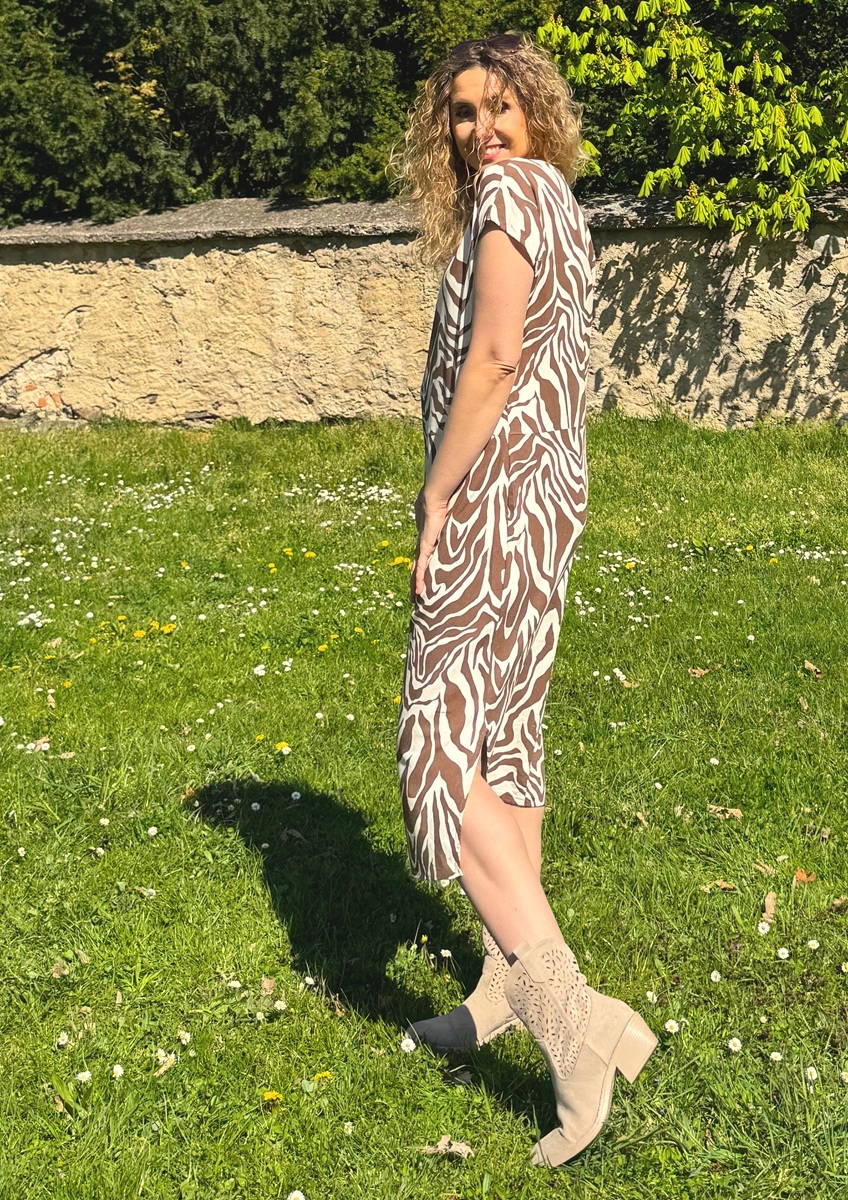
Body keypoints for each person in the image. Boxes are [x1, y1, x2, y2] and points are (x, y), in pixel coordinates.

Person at [392, 32, 657, 1166]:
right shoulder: (556, 199)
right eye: (462, 112)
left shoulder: (507, 198)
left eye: (501, 106)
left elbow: (496, 359)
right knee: (503, 739)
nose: (481, 129)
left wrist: (435, 497)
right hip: (546, 502)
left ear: (535, 111)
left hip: (494, 501)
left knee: (438, 748)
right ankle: (503, 988)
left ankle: (571, 1018)